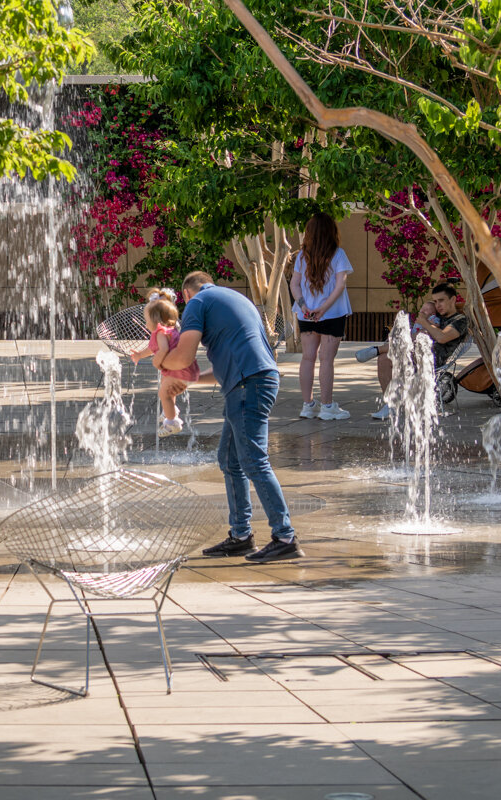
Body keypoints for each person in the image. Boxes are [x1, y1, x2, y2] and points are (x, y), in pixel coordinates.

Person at [160, 271, 303, 563]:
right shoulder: (235, 298)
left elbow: (184, 358)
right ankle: (241, 536)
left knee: (253, 460)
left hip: (247, 385)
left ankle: (285, 536)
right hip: (253, 380)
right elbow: (217, 368)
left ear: (186, 294)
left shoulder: (198, 302)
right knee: (230, 460)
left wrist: (160, 361)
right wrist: (186, 381)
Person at [356, 282, 468, 420]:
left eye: (441, 300)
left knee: (421, 337)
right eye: (435, 301)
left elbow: (442, 337)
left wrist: (425, 322)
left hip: (431, 360)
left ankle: (377, 349)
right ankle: (390, 405)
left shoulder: (460, 320)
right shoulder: (435, 315)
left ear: (453, 299)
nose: (438, 305)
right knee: (384, 359)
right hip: (414, 352)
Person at [289, 212, 353, 420]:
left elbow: (294, 284)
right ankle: (327, 407)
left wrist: (304, 306)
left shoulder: (301, 255)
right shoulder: (338, 254)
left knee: (308, 358)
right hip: (332, 313)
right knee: (327, 360)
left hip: (305, 314)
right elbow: (341, 284)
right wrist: (324, 308)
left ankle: (308, 406)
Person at [129, 288, 200, 437]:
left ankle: (172, 422)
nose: (146, 324)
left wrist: (157, 361)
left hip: (179, 369)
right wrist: (139, 355)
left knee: (164, 392)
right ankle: (171, 411)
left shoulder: (160, 332)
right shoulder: (168, 330)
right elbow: (151, 348)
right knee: (167, 390)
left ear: (156, 321)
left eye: (147, 321)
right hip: (182, 368)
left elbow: (163, 349)